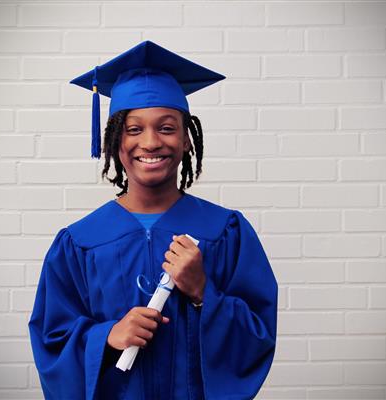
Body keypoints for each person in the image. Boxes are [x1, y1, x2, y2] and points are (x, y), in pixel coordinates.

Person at [28, 40, 277, 400]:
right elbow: (52, 341)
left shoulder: (225, 231)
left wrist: (203, 292)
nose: (150, 141)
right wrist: (107, 336)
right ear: (114, 141)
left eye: (166, 127)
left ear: (187, 140)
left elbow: (258, 336)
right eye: (133, 129)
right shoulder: (79, 242)